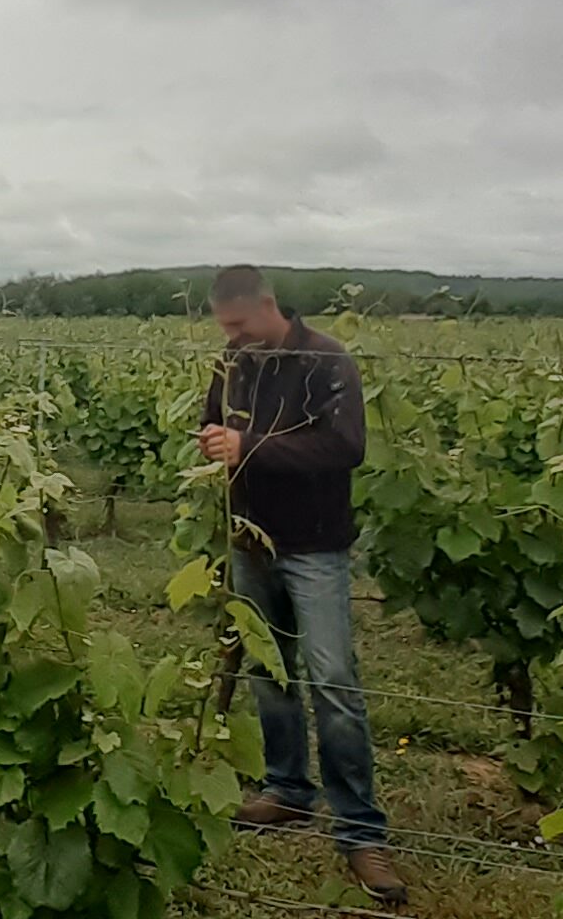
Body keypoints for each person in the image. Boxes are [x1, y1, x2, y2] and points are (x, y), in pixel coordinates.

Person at [196, 265, 406, 905]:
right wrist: (211, 442)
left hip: (314, 547)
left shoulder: (327, 361)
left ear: (267, 305)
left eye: (238, 324)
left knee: (332, 680)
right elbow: (214, 426)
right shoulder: (233, 361)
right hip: (248, 539)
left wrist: (248, 445)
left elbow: (345, 448)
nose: (231, 337)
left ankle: (361, 832)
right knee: (270, 670)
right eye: (224, 328)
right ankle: (288, 789)